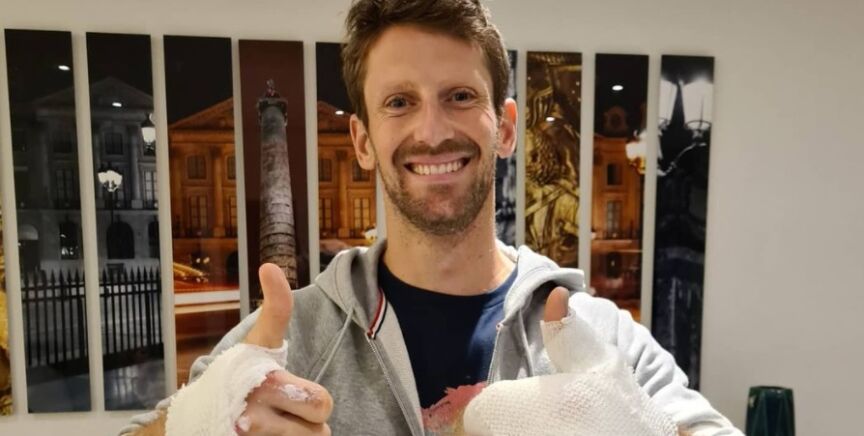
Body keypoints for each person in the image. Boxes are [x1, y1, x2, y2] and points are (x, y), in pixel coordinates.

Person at [123, 0, 742, 435]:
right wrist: (196, 427)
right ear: (363, 141)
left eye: (460, 96)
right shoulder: (289, 341)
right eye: (400, 102)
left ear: (505, 127)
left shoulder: (596, 337)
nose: (432, 130)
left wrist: (643, 431)